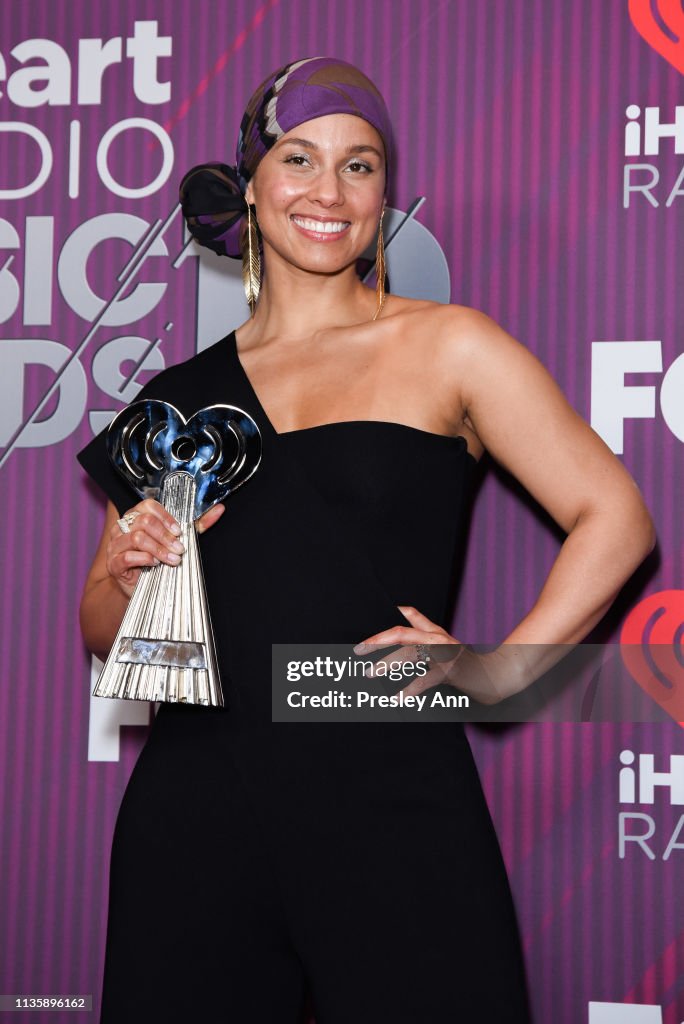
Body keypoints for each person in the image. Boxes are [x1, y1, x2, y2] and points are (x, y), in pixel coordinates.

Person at [77, 57, 655, 1023]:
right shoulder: (175, 400)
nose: (328, 191)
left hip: (386, 780)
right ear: (251, 182)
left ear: (386, 193)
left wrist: (505, 671)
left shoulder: (448, 344)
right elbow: (105, 632)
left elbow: (618, 518)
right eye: (299, 158)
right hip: (198, 798)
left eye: (361, 165)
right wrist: (127, 574)